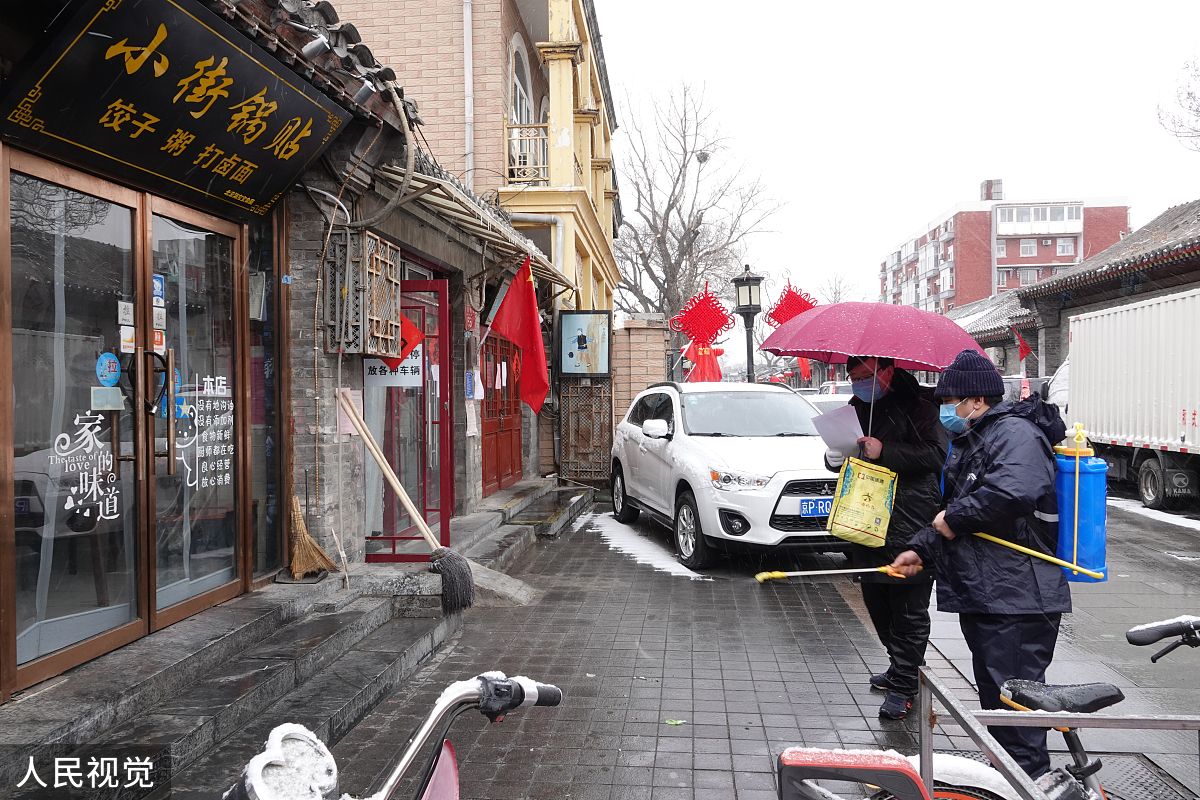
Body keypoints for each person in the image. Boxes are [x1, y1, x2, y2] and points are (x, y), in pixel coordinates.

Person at [889, 349, 1070, 777]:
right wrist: (921, 547)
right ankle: (1011, 778)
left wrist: (951, 520)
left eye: (950, 402)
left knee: (1016, 716)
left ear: (976, 400)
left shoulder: (1015, 434)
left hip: (1018, 598)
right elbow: (958, 510)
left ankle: (1028, 782)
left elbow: (1013, 491)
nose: (946, 411)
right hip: (993, 594)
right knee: (1000, 707)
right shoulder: (978, 438)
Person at [844, 355, 946, 720]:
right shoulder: (857, 408)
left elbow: (935, 456)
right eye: (852, 377)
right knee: (876, 600)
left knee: (908, 608)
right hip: (866, 518)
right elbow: (851, 455)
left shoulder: (920, 406)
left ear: (886, 370)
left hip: (911, 519)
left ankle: (905, 684)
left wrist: (884, 451)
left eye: (863, 376)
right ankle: (899, 666)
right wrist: (836, 455)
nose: (858, 383)